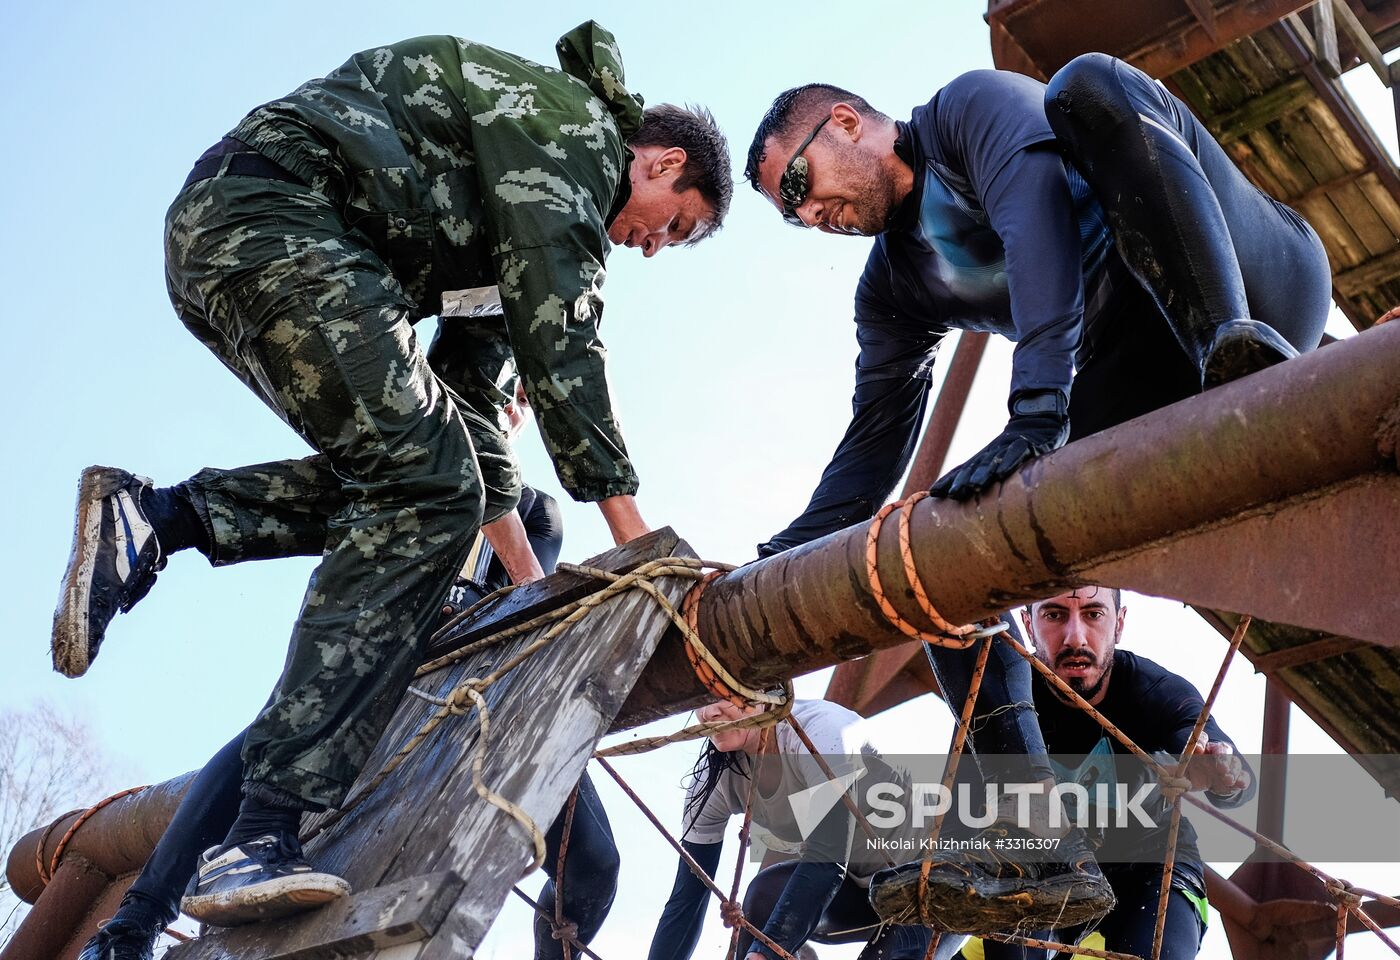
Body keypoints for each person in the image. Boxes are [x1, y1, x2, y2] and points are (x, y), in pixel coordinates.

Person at [53, 20, 731, 935]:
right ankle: (257, 831)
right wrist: (648, 558)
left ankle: (163, 519)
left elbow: (473, 405)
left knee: (413, 481)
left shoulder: (512, 240)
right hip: (277, 218)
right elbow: (565, 348)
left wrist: (543, 578)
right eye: (673, 227)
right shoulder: (575, 138)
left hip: (240, 239)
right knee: (430, 486)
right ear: (662, 163)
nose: (651, 246)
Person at [743, 56, 1318, 927]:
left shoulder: (968, 114)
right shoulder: (892, 288)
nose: (808, 214)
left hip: (1250, 277)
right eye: (790, 215)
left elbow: (1037, 216)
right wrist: (767, 567)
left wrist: (1038, 409)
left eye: (799, 181)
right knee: (928, 545)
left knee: (1088, 84)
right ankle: (1035, 833)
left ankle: (1233, 345)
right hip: (1136, 368)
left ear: (848, 123)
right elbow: (870, 449)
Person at [76, 318, 621, 960]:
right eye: (491, 390)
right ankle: (129, 929)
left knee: (595, 860)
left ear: (519, 419)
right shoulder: (397, 466)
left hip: (476, 678)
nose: (501, 407)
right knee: (269, 737)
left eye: (514, 401)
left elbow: (521, 597)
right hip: (371, 649)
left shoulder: (534, 511)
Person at [957, 587, 1254, 960]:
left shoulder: (1155, 691)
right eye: (1054, 615)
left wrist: (1220, 771)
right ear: (1029, 626)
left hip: (1149, 872)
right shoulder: (1001, 702)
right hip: (1041, 868)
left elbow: (1233, 775)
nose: (1075, 637)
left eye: (1094, 615)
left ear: (1120, 624)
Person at [646, 698, 932, 960]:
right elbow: (687, 900)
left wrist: (765, 952)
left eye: (723, 695)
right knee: (763, 896)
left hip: (930, 884)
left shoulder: (821, 732)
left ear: (765, 688)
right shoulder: (713, 780)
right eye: (700, 701)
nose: (708, 713)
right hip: (855, 895)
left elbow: (828, 861)